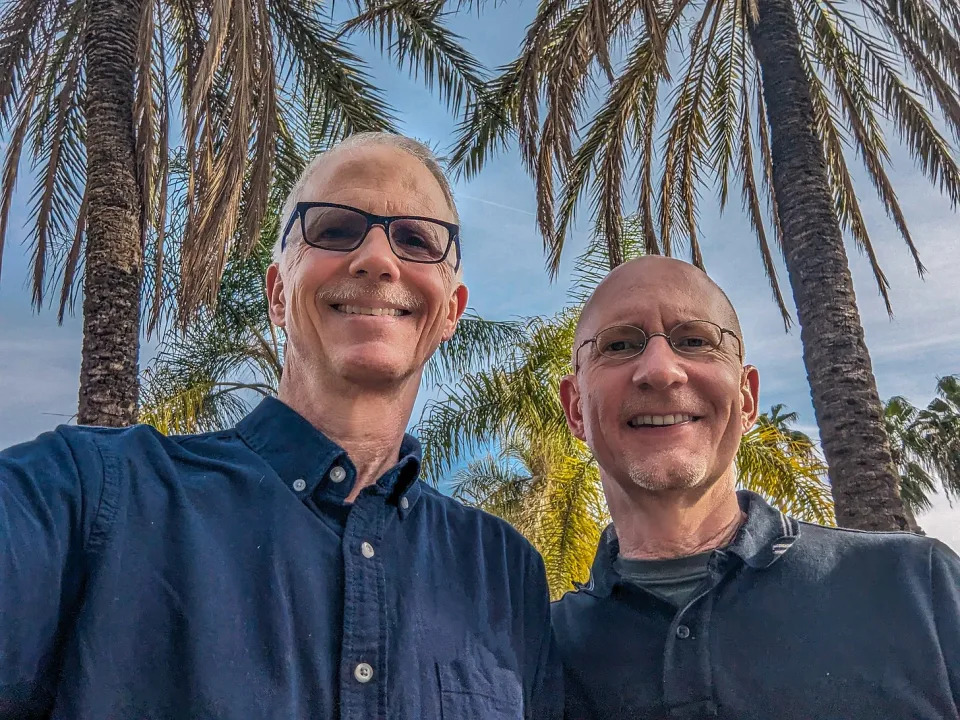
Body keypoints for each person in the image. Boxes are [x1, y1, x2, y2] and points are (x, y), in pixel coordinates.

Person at [0, 132, 560, 719]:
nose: (376, 258)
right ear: (276, 292)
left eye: (417, 239)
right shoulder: (95, 493)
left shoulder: (504, 570)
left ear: (451, 311)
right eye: (335, 230)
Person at [552, 256, 960, 720]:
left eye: (694, 341)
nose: (662, 370)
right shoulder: (533, 654)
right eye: (620, 344)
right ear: (575, 408)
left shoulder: (919, 587)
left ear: (746, 398)